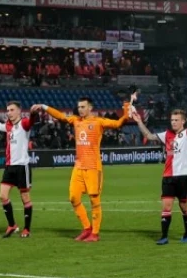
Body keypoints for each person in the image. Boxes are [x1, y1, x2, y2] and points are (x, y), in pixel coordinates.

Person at [30, 95, 131, 242]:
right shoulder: (76, 120)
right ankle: (87, 228)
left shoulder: (98, 122)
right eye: (79, 107)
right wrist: (44, 106)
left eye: (83, 107)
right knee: (73, 198)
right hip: (78, 167)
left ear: (90, 108)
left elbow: (119, 123)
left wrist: (126, 107)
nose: (80, 109)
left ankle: (95, 234)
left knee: (94, 200)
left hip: (93, 167)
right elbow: (61, 116)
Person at [131, 108, 187, 245]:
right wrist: (139, 122)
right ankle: (164, 236)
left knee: (184, 206)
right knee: (166, 207)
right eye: (172, 120)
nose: (173, 123)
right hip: (168, 176)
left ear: (183, 121)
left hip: (183, 176)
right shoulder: (166, 134)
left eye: (176, 120)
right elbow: (149, 136)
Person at [0, 101, 38, 238]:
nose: (8, 112)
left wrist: (33, 113)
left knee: (25, 197)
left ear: (19, 111)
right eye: (7, 110)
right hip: (10, 167)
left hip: (22, 166)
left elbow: (31, 121)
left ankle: (26, 229)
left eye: (11, 110)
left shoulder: (24, 123)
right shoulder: (9, 126)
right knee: (2, 196)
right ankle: (12, 225)